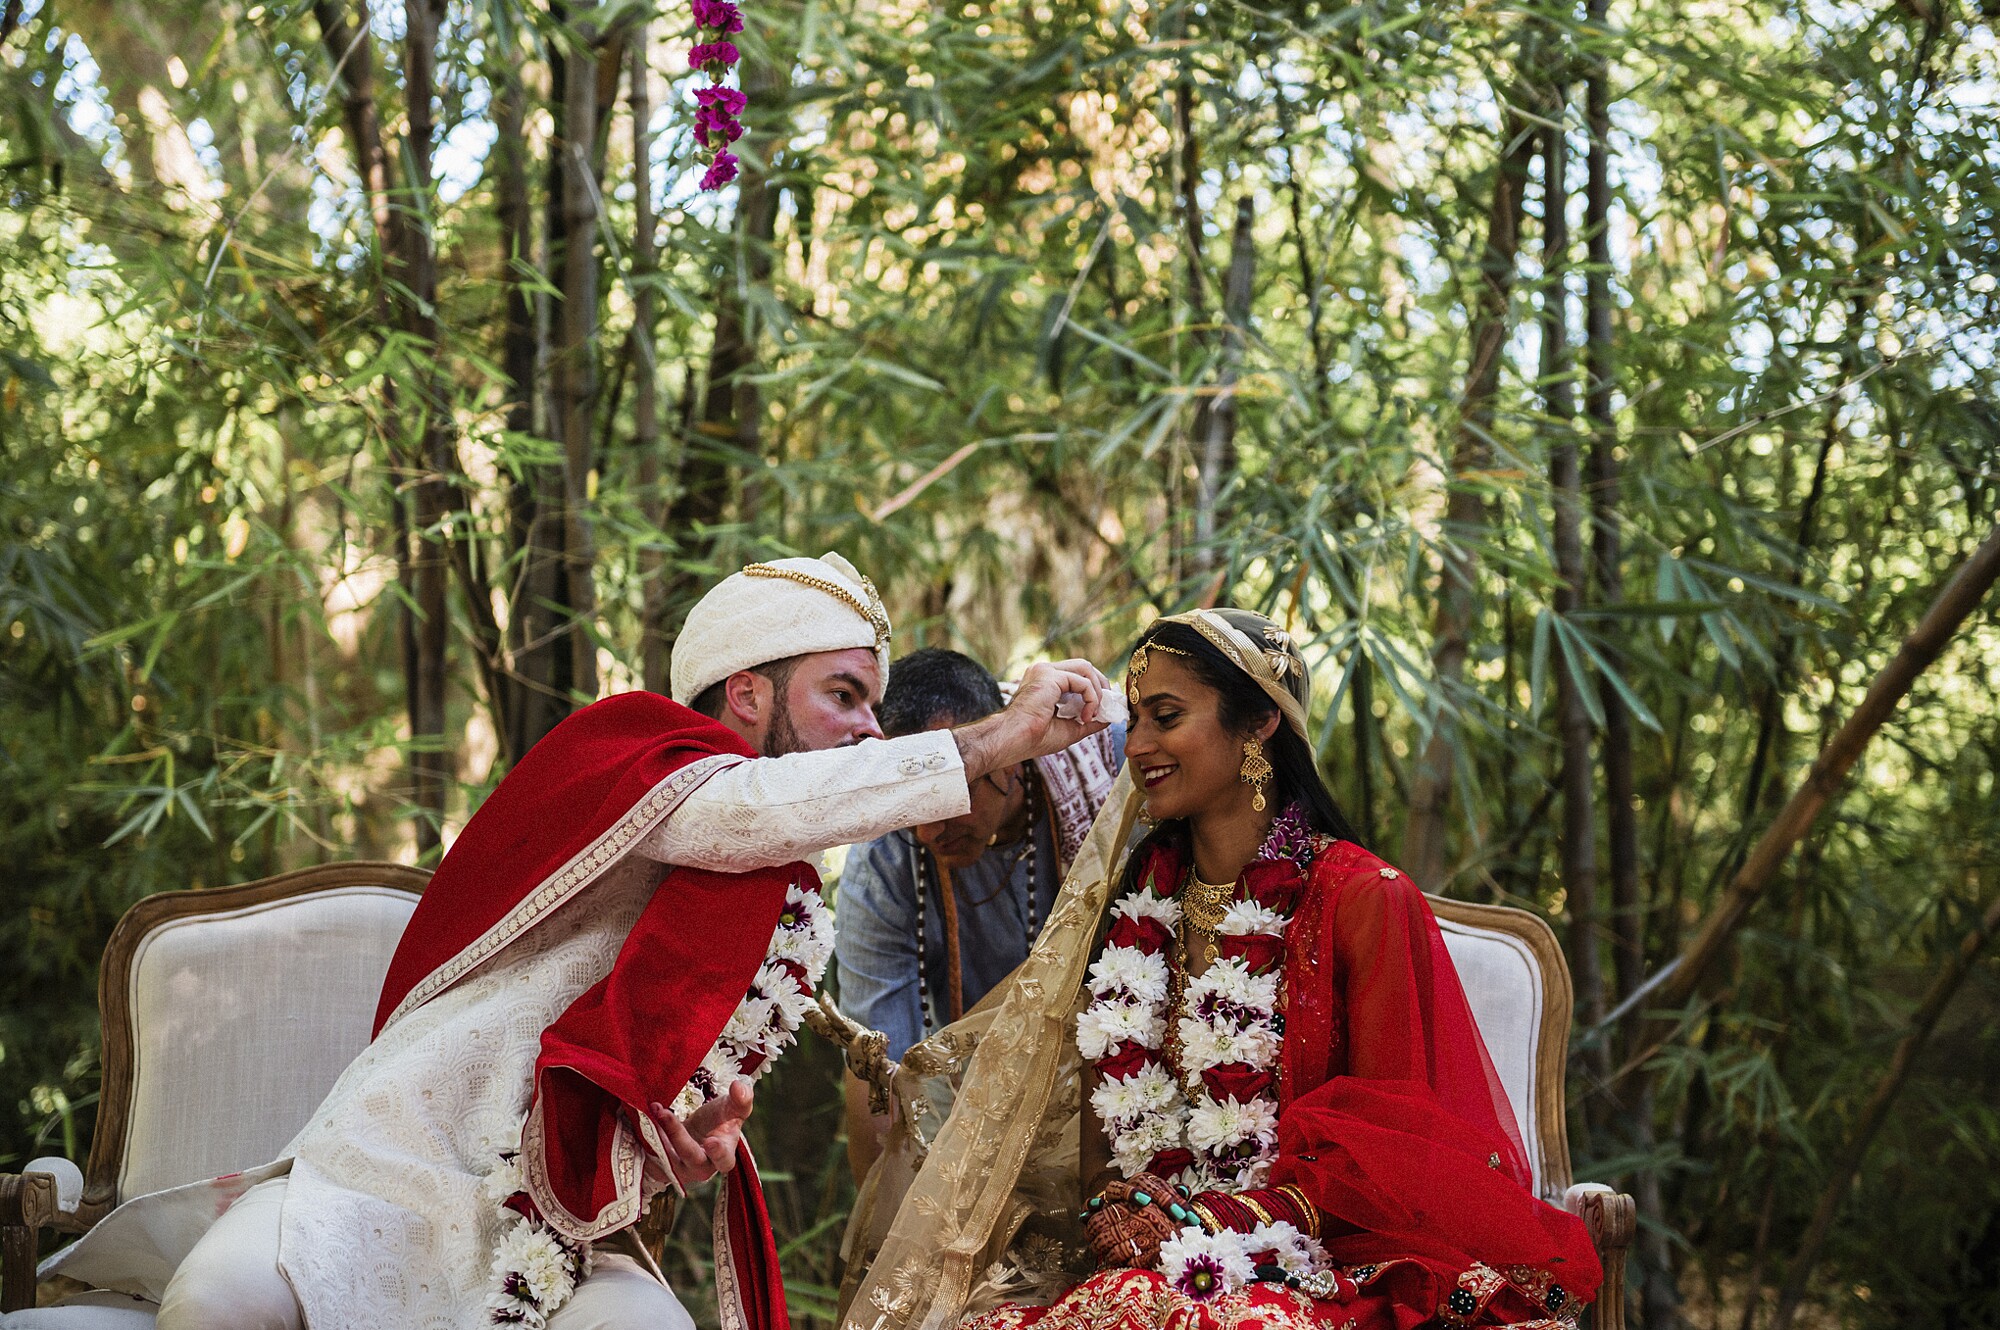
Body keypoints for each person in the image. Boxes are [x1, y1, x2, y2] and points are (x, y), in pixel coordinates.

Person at [11, 553, 1113, 1330]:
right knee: (215, 1306)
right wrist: (1001, 736)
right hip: (390, 1167)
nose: (870, 729)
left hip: (554, 1219)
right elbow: (751, 810)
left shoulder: (768, 884)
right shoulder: (644, 756)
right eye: (844, 696)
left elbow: (634, 1065)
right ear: (746, 692)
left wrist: (681, 1143)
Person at [846, 608, 1601, 1330]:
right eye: (1135, 720)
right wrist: (1117, 1207)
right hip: (1150, 1268)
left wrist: (1210, 1220)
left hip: (1315, 1263)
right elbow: (1102, 1141)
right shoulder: (1133, 903)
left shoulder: (1362, 898)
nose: (1137, 745)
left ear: (1261, 722)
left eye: (1166, 717)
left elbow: (1384, 1157)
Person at [834, 648, 1124, 1180]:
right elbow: (881, 1068)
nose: (927, 831)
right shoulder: (883, 861)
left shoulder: (1111, 763)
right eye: (910, 805)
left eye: (946, 792)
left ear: (1009, 755)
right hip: (974, 1111)